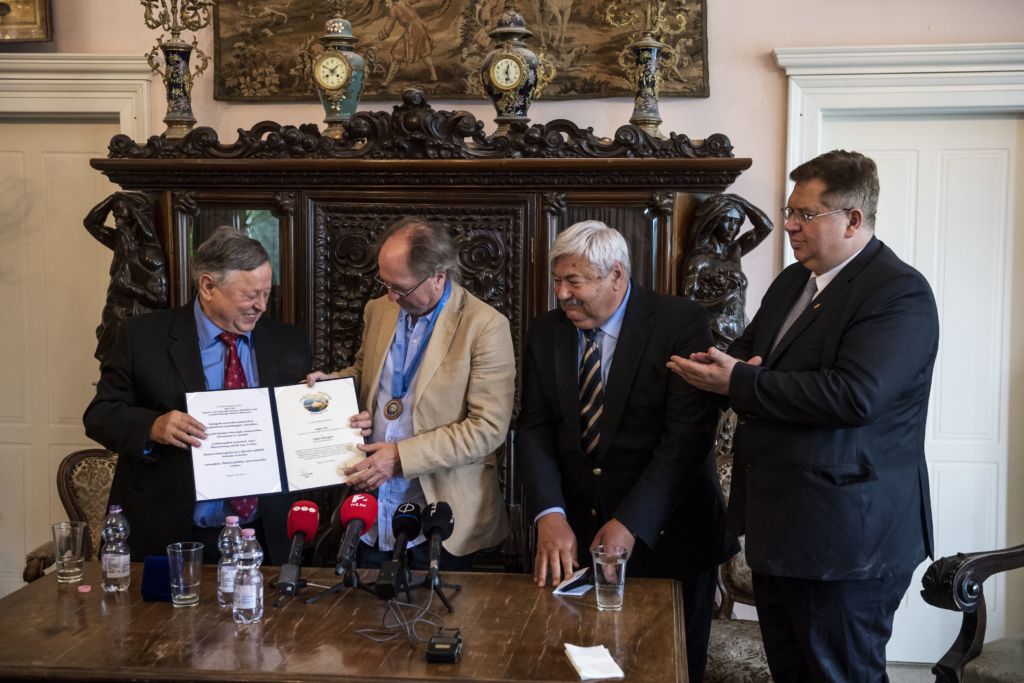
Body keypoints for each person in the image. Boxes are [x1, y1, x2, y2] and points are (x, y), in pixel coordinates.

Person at [669, 150, 939, 682]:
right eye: (789, 211)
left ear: (853, 219)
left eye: (806, 214)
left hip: (847, 539)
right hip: (781, 531)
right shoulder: (794, 281)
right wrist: (710, 367)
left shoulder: (898, 292)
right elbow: (747, 353)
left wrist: (742, 380)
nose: (789, 224)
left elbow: (854, 396)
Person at [518, 220, 731, 683]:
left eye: (574, 281)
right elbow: (534, 427)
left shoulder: (679, 322)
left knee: (667, 669)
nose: (562, 294)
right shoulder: (545, 331)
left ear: (616, 275)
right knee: (572, 665)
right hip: (577, 538)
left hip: (669, 534)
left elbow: (685, 439)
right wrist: (549, 513)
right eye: (557, 280)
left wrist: (632, 521)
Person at [84, 226, 312, 564]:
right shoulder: (143, 337)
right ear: (208, 286)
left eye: (267, 293)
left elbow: (301, 426)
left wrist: (325, 403)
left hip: (263, 532)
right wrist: (153, 426)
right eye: (250, 295)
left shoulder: (288, 342)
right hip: (170, 528)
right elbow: (100, 415)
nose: (262, 306)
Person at [307, 216, 513, 571]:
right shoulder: (379, 309)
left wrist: (401, 456)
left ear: (438, 276)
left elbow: (487, 429)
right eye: (384, 283)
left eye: (400, 288)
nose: (390, 296)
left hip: (442, 516)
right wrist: (332, 388)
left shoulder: (485, 326)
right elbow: (365, 372)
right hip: (371, 509)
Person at [682, 193, 772, 349]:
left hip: (740, 329)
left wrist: (741, 201)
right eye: (727, 220)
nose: (732, 227)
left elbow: (766, 227)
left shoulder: (735, 249)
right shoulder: (700, 258)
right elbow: (686, 304)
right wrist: (720, 302)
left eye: (736, 222)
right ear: (714, 220)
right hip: (714, 331)